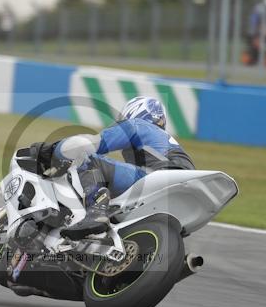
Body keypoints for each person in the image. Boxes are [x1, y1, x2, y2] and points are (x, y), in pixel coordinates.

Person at [37, 96, 195, 240]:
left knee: (87, 158)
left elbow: (93, 144)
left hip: (160, 174)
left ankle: (96, 212)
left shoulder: (138, 125)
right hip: (186, 183)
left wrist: (53, 149)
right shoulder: (164, 139)